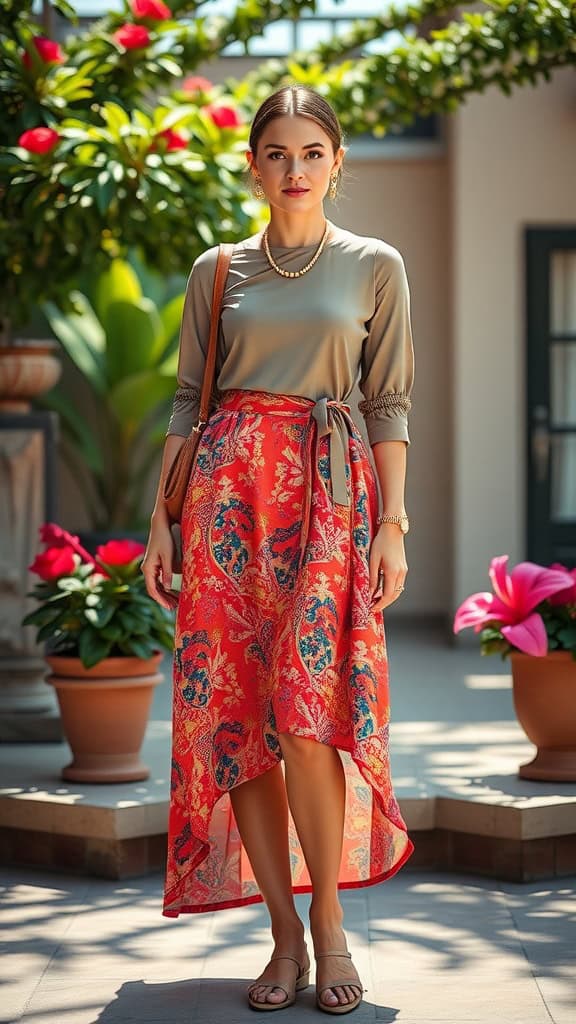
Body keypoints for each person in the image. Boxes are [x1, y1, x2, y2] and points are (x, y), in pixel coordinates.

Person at [142, 84, 415, 1016]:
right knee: (239, 722)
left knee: (305, 713)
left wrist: (394, 523)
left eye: (311, 153)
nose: (293, 170)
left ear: (338, 163)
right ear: (252, 164)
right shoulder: (217, 271)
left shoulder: (376, 265)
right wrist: (161, 517)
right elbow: (189, 400)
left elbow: (389, 402)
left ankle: (332, 924)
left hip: (331, 500)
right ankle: (284, 936)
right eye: (275, 153)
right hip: (227, 500)